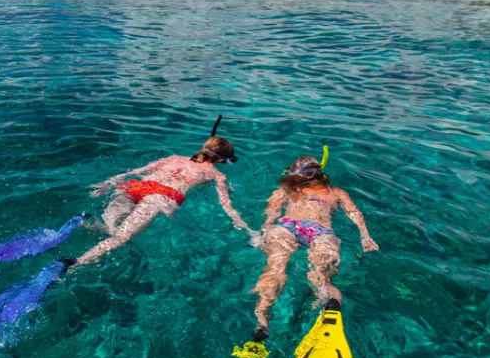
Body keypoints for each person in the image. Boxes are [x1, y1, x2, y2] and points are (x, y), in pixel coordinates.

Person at [73, 124, 256, 267]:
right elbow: (226, 205)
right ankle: (77, 262)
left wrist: (108, 183)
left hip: (136, 185)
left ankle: (88, 223)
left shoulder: (174, 158)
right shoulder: (216, 175)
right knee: (122, 237)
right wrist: (247, 228)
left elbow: (137, 170)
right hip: (162, 196)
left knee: (112, 227)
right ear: (222, 161)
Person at [250, 153, 378, 340]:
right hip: (320, 232)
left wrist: (263, 232)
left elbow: (272, 212)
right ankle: (328, 310)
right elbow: (354, 213)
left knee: (274, 271)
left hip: (287, 227)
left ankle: (262, 322)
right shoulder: (337, 192)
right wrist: (366, 237)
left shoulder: (287, 189)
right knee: (320, 278)